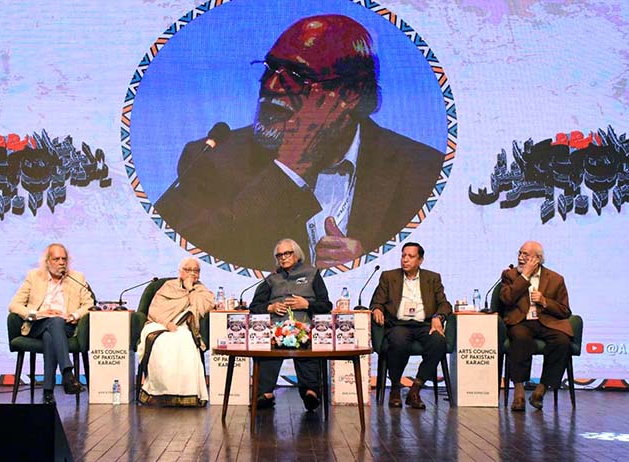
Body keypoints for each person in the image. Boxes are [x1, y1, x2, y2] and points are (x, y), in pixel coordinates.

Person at [155, 14, 444, 271]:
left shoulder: (421, 171)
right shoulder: (212, 159)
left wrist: (369, 262)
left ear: (350, 93)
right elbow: (199, 249)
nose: (271, 86)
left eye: (296, 76)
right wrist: (289, 168)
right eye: (270, 69)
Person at [249, 239, 332, 411]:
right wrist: (270, 307)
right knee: (266, 347)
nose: (283, 258)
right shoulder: (271, 279)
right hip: (276, 329)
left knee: (307, 347)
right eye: (279, 255)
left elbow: (326, 305)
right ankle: (265, 394)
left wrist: (307, 305)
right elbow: (254, 307)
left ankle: (311, 392)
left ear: (296, 254)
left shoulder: (312, 273)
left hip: (305, 327)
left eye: (287, 253)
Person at [369, 242, 451, 409]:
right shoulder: (388, 277)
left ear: (420, 260)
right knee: (399, 341)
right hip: (399, 324)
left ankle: (416, 388)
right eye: (403, 255)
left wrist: (438, 316)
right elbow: (377, 301)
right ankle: (395, 388)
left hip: (424, 324)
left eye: (410, 256)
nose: (405, 260)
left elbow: (444, 304)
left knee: (439, 342)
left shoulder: (432, 278)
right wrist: (377, 309)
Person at [9, 243, 91, 404]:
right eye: (56, 259)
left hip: (65, 324)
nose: (61, 262)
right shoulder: (34, 276)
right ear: (47, 261)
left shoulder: (77, 278)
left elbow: (89, 304)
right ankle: (67, 374)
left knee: (51, 333)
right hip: (37, 324)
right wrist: (36, 314)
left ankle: (48, 393)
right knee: (52, 323)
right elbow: (14, 305)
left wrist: (74, 315)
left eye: (64, 259)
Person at [499, 241, 571, 411]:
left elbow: (565, 311)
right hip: (521, 321)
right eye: (519, 253)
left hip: (546, 321)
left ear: (538, 259)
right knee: (520, 338)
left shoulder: (555, 279)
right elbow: (506, 299)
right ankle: (519, 393)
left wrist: (546, 302)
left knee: (562, 341)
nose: (520, 257)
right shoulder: (509, 275)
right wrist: (524, 276)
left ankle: (540, 390)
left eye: (526, 255)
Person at [137, 257, 214, 406]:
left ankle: (185, 395)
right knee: (161, 342)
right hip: (158, 324)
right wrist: (167, 323)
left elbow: (203, 308)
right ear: (180, 271)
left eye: (196, 270)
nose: (192, 273)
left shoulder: (201, 290)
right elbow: (154, 310)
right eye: (188, 270)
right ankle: (159, 393)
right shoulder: (168, 286)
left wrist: (190, 289)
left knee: (184, 341)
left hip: (183, 326)